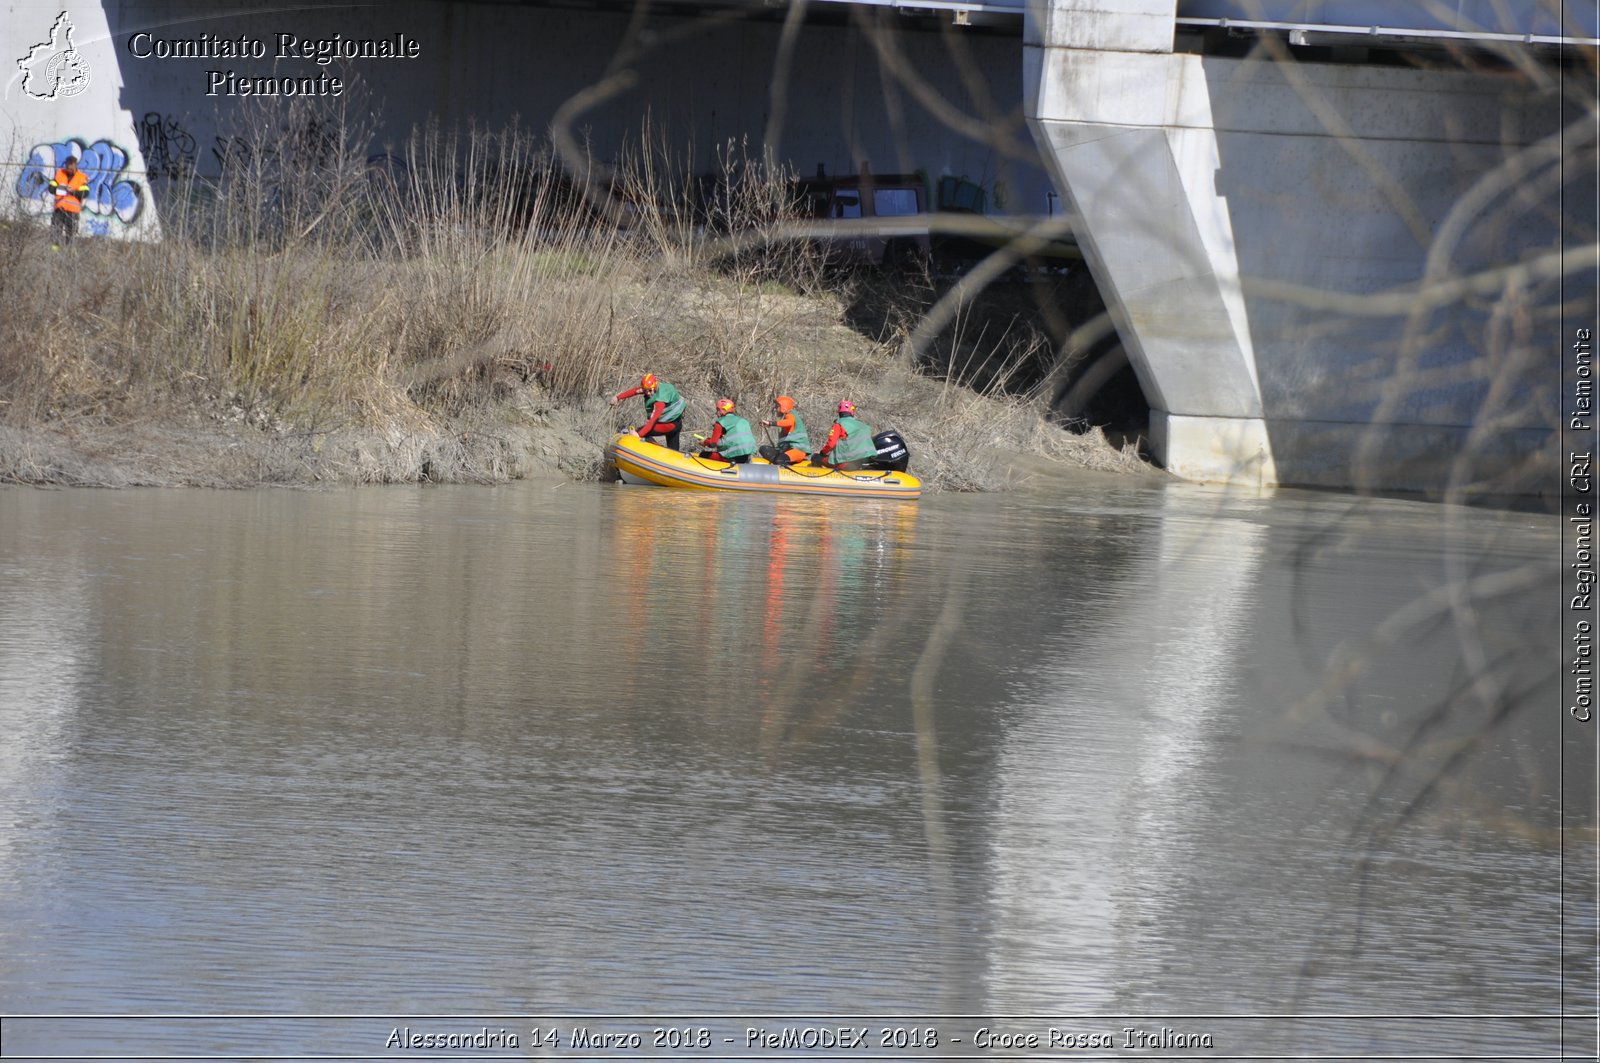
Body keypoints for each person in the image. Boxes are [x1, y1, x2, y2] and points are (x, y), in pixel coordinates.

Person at [611, 372, 686, 451]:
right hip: (675, 423)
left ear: (654, 386)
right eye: (645, 391)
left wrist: (638, 434)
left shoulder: (660, 401)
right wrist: (618, 397)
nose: (648, 393)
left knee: (641, 431)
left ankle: (658, 450)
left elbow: (653, 420)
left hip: (670, 426)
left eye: (650, 391)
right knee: (673, 451)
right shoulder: (649, 388)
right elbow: (634, 391)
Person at [815, 399, 876, 471]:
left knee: (815, 457)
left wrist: (822, 453)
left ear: (839, 412)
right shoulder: (863, 426)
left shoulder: (839, 425)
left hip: (846, 464)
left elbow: (831, 444)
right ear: (852, 412)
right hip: (860, 463)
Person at [47, 155, 89, 247]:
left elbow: (85, 193)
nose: (69, 170)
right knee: (56, 232)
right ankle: (55, 252)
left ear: (75, 166)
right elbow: (51, 188)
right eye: (68, 168)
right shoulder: (60, 174)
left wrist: (73, 192)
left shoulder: (81, 177)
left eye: (71, 168)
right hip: (59, 209)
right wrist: (60, 189)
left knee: (71, 235)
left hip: (73, 211)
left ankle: (68, 254)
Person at [699, 398, 756, 464]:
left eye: (717, 410)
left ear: (721, 410)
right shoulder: (743, 421)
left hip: (731, 458)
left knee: (703, 455)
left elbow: (713, 443)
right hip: (746, 457)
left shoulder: (720, 422)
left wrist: (705, 442)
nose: (716, 412)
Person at [758, 394, 810, 466]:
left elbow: (789, 422)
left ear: (783, 407)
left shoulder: (790, 415)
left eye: (777, 407)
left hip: (797, 450)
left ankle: (782, 465)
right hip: (786, 450)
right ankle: (779, 463)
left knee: (779, 460)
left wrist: (771, 423)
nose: (775, 409)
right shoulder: (785, 417)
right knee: (763, 449)